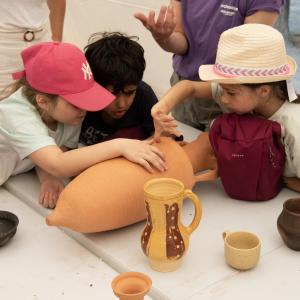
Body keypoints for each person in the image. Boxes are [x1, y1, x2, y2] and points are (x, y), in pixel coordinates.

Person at [0, 42, 166, 209]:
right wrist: (120, 145)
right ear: (42, 101)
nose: (85, 109)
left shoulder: (70, 115)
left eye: (86, 99)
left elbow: (58, 151)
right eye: (76, 103)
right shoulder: (17, 117)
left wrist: (48, 177)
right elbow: (58, 163)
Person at [151, 24, 300, 192]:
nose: (222, 98)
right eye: (222, 89)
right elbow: (188, 87)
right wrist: (162, 107)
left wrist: (281, 179)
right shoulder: (242, 96)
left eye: (230, 92)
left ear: (264, 90)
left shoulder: (294, 127)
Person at [134, 0, 284, 131]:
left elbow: (247, 57)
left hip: (231, 89)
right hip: (188, 85)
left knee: (224, 154)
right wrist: (164, 37)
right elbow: (183, 47)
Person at [80, 32, 158, 145]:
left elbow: (163, 138)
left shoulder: (144, 95)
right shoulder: (81, 98)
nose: (121, 104)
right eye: (111, 94)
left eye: (130, 93)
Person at [0, 0, 66, 99]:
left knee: (42, 101)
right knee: (4, 104)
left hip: (42, 38)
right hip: (5, 43)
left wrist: (56, 42)